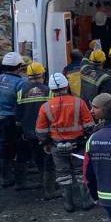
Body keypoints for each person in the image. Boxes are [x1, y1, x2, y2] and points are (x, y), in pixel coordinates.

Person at [36, 73, 96, 212]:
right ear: (66, 86)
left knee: (63, 174)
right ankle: (86, 201)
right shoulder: (78, 102)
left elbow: (40, 130)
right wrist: (88, 138)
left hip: (57, 146)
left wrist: (46, 143)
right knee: (81, 172)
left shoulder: (45, 107)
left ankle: (68, 203)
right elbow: (89, 125)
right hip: (78, 145)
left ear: (51, 90)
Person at [14, 62, 48, 193]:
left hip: (27, 132)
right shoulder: (48, 91)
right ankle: (46, 183)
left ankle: (21, 182)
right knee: (45, 158)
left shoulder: (21, 92)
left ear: (27, 76)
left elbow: (18, 114)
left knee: (25, 155)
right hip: (44, 132)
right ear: (42, 74)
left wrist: (20, 129)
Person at [0, 52, 26, 188]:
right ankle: (9, 177)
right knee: (12, 147)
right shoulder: (20, 83)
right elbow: (21, 105)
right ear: (19, 66)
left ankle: (5, 174)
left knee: (3, 146)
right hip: (10, 119)